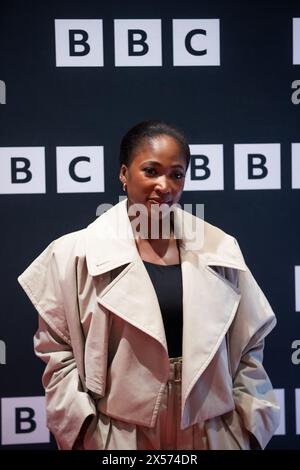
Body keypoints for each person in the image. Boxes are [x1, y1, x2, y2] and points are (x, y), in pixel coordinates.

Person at [18, 120, 280, 450]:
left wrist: (249, 424)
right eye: (151, 170)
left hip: (211, 431)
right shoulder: (75, 254)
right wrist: (84, 429)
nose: (164, 185)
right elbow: (57, 351)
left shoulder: (220, 249)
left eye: (176, 174)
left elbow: (249, 344)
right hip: (119, 436)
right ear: (124, 174)